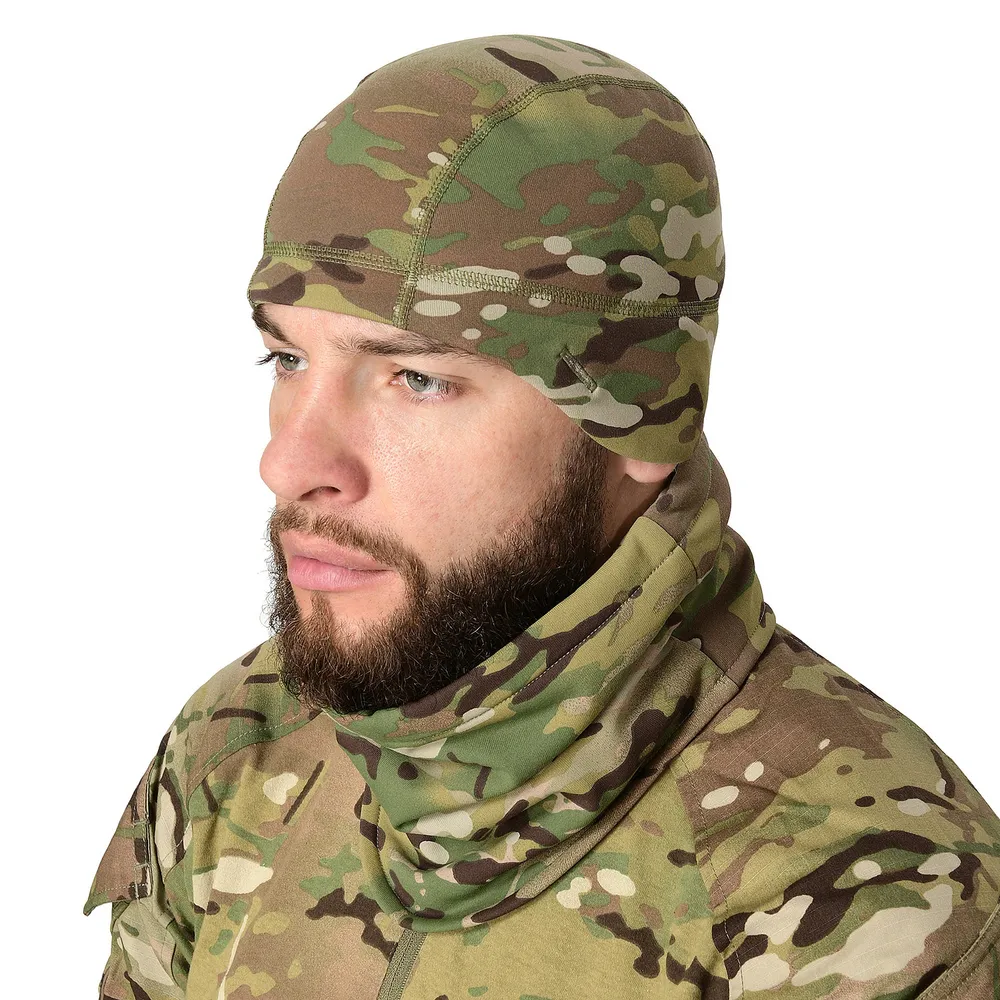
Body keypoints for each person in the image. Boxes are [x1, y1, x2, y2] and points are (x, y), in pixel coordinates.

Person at [84, 33, 1000, 999]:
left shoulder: (862, 891)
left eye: (417, 379)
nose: (288, 465)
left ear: (639, 414)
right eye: (287, 359)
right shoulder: (238, 746)